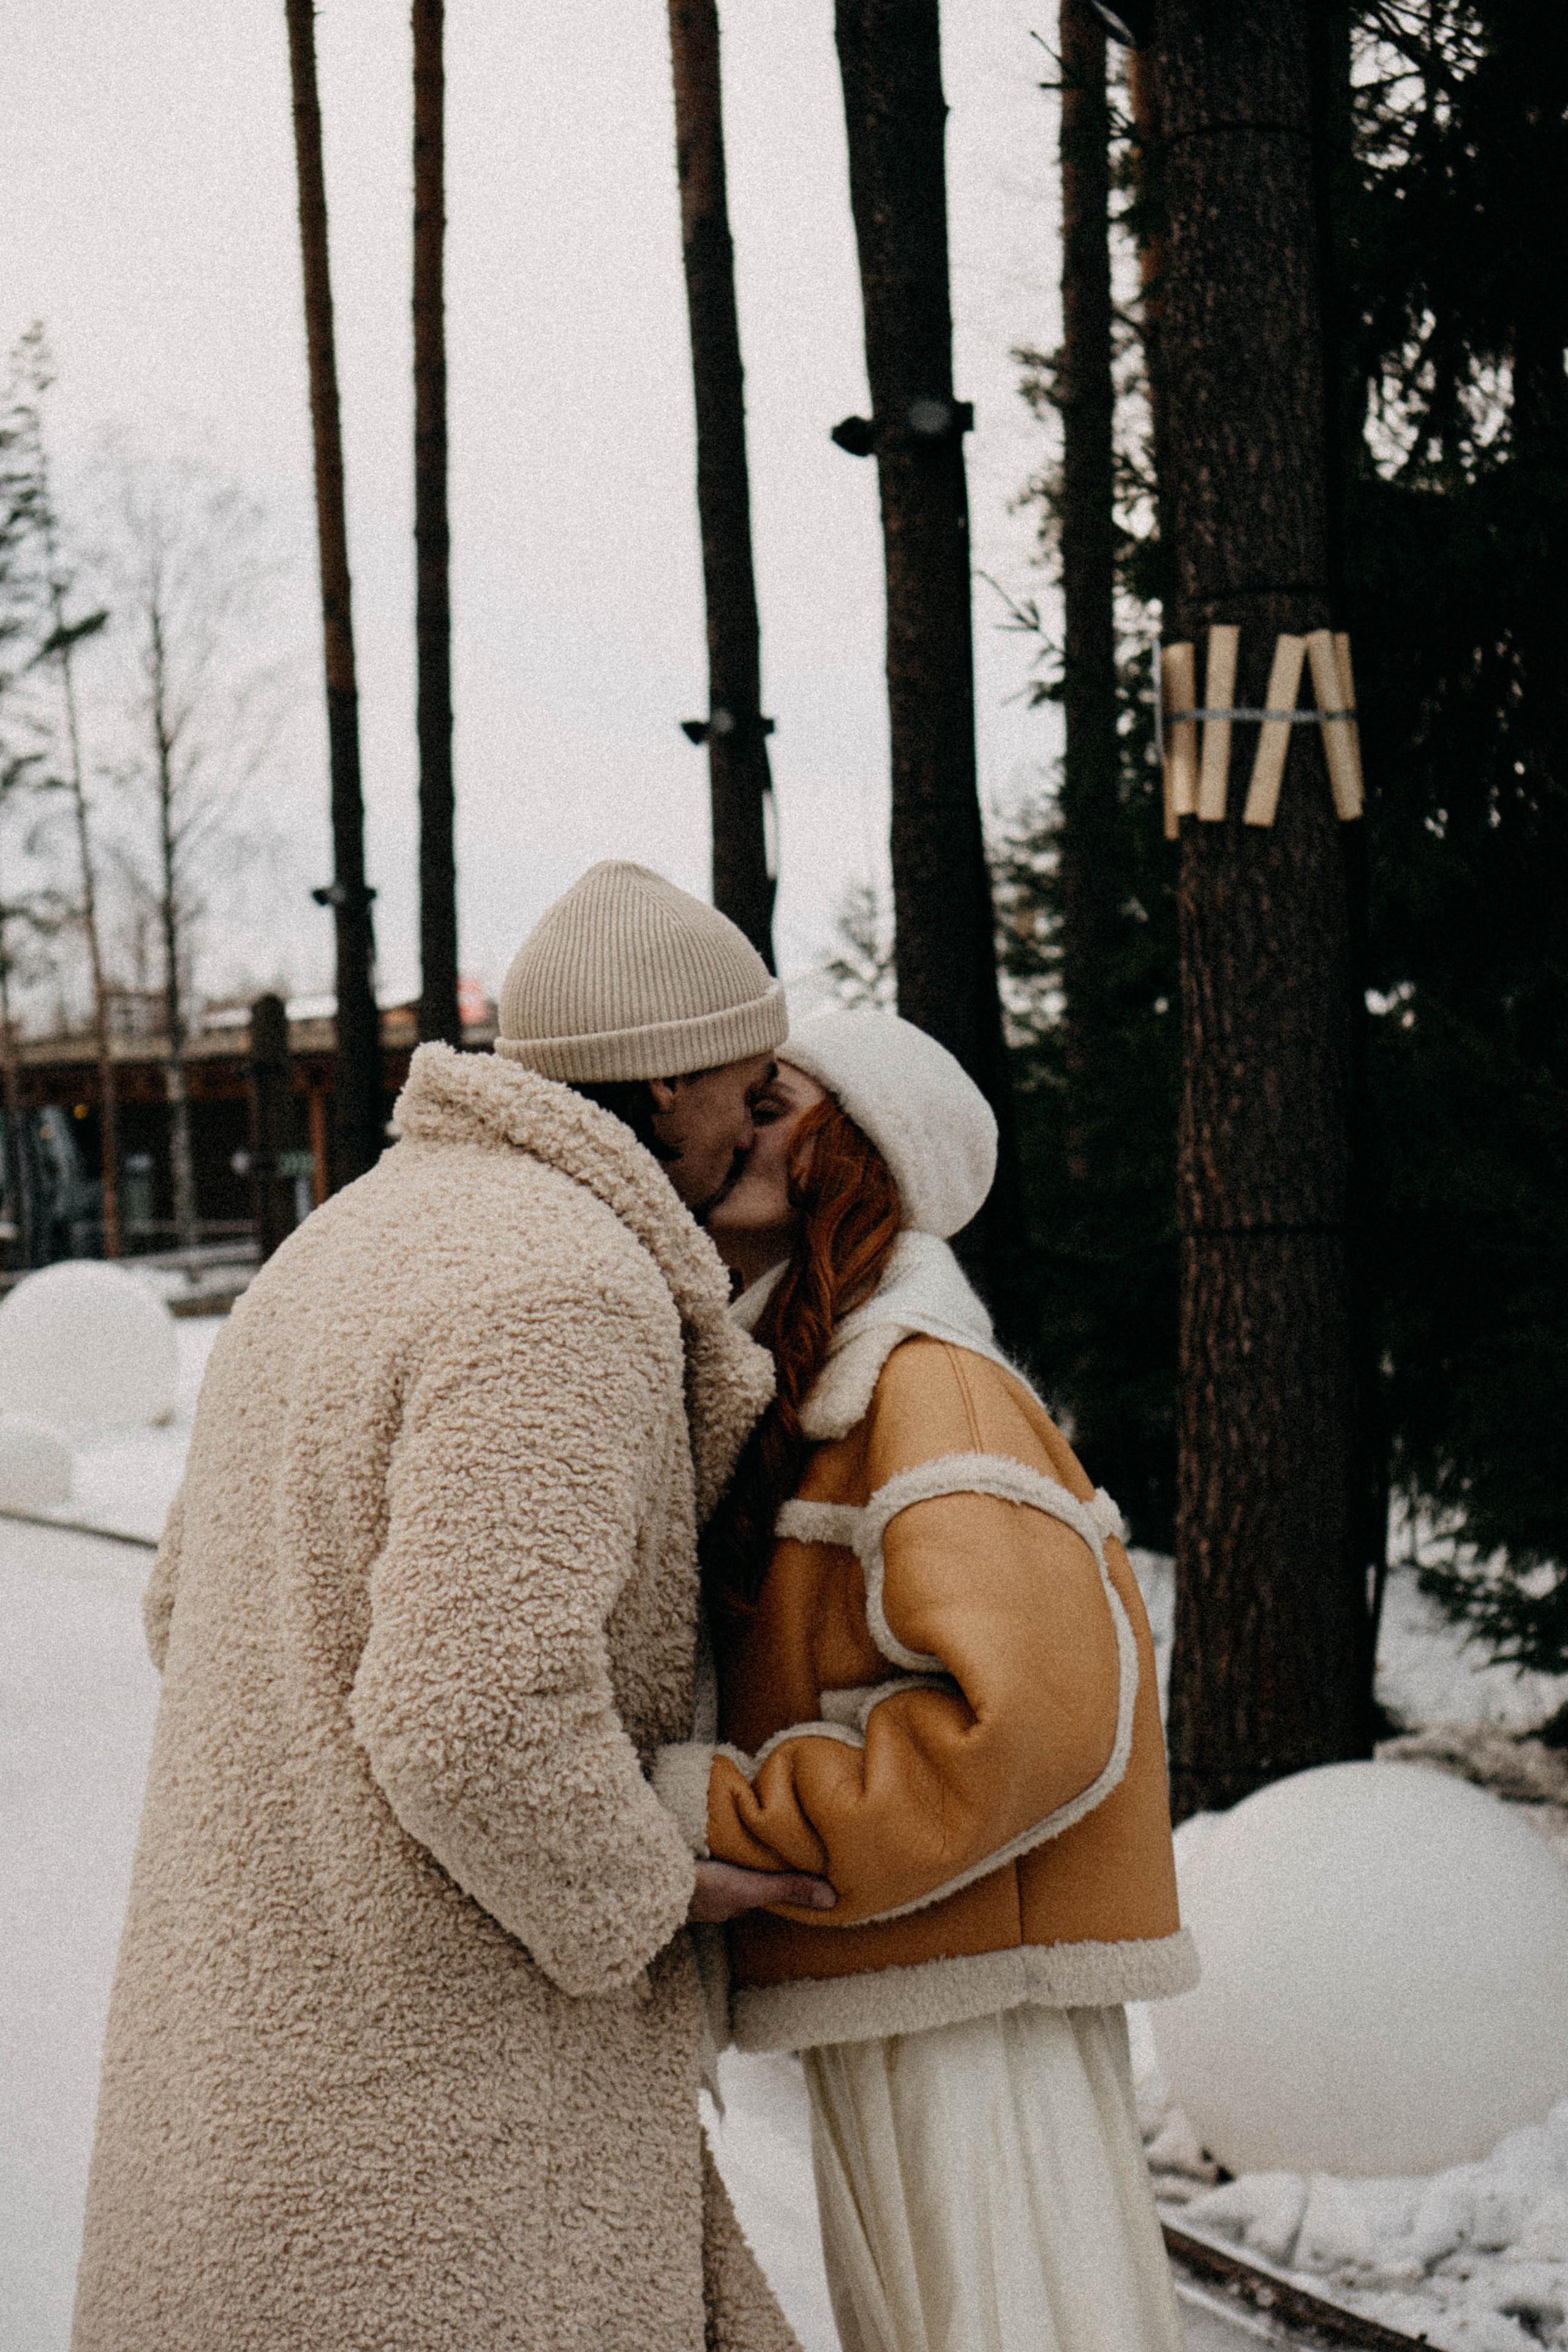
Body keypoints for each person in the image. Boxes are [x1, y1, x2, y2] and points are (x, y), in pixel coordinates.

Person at [72, 861, 829, 2352]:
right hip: (434, 2143)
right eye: (746, 1098)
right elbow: (469, 1713)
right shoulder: (565, 1288)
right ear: (663, 1083)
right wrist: (655, 1880)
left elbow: (183, 1609)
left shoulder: (337, 1248)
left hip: (249, 2077)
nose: (758, 1137)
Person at [654, 1009, 1200, 2352]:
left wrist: (721, 1814)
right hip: (919, 1976)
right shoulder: (818, 1382)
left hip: (975, 2010)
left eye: (770, 1102)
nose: (727, 1126)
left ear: (861, 1154)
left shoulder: (924, 1385)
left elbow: (1031, 1720)